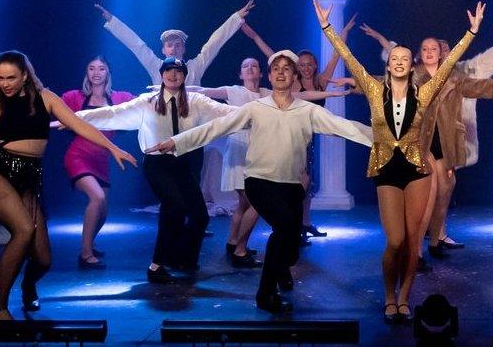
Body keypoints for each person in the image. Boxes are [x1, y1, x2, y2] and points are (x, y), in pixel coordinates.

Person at [146, 50, 373, 313]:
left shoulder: (307, 110)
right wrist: (176, 142)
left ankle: (281, 269)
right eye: (275, 68)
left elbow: (344, 127)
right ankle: (265, 294)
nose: (280, 72)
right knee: (286, 231)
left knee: (290, 245)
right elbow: (215, 128)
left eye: (286, 69)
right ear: (270, 74)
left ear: (294, 76)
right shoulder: (255, 108)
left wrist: (384, 140)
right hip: (259, 182)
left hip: (290, 186)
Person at [315, 0, 481, 324]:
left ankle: (403, 298)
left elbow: (449, 64)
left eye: (406, 58)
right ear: (389, 64)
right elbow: (348, 58)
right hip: (387, 170)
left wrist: (471, 33)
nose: (401, 62)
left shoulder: (424, 91)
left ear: (411, 63)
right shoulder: (375, 90)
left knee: (413, 240)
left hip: (417, 169)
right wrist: (326, 27)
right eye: (395, 58)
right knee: (395, 241)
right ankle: (388, 294)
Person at [0, 51, 136, 320]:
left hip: (28, 179)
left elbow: (80, 125)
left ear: (25, 75)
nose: (5, 83)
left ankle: (28, 285)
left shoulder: (47, 100)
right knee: (23, 230)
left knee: (44, 259)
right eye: (0, 78)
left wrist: (112, 146)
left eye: (11, 77)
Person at [73, 57, 233, 284]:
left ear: (185, 75)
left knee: (200, 216)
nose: (173, 75)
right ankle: (156, 265)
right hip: (158, 164)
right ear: (161, 74)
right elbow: (112, 113)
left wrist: (262, 113)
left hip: (185, 165)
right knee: (174, 205)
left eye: (178, 71)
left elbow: (228, 113)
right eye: (168, 70)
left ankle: (184, 260)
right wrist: (74, 119)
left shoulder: (197, 101)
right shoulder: (147, 101)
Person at [190, 57, 348, 265]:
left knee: (243, 204)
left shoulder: (266, 94)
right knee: (255, 203)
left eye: (254, 65)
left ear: (261, 73)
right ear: (240, 73)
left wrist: (330, 93)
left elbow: (301, 95)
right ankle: (239, 250)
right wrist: (168, 87)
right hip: (239, 150)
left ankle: (233, 242)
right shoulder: (234, 91)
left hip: (258, 150)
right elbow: (203, 91)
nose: (250, 69)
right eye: (245, 66)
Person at [412, 37, 493, 259]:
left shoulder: (455, 76)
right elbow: (385, 84)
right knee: (424, 199)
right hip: (420, 145)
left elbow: (478, 85)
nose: (431, 52)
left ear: (441, 53)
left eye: (435, 49)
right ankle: (416, 254)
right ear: (420, 53)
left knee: (443, 193)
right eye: (425, 49)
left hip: (445, 144)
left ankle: (434, 242)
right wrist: (356, 83)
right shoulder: (412, 76)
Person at [239, 17, 357, 242]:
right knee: (298, 181)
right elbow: (269, 53)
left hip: (310, 135)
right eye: (301, 64)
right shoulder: (292, 83)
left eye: (309, 63)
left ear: (314, 65)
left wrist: (346, 31)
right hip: (292, 135)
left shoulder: (322, 80)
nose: (306, 67)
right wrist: (252, 34)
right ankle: (290, 223)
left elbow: (337, 54)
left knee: (307, 183)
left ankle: (303, 223)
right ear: (296, 68)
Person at [60, 56, 135, 269]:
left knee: (103, 210)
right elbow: (49, 104)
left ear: (108, 73)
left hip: (102, 160)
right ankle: (85, 254)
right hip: (78, 156)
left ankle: (89, 245)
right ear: (86, 72)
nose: (96, 73)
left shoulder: (119, 97)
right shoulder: (74, 97)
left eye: (101, 69)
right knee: (98, 197)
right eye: (91, 68)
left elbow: (144, 103)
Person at [95, 0, 255, 85]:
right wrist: (112, 21)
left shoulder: (195, 67)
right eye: (169, 45)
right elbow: (136, 45)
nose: (173, 49)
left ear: (184, 49)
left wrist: (236, 18)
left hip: (189, 128)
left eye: (177, 45)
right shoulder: (156, 66)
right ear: (163, 50)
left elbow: (215, 43)